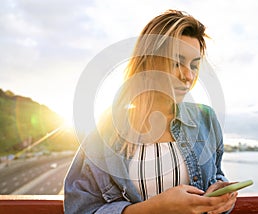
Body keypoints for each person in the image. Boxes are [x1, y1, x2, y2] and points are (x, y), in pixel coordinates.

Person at [64, 9, 237, 214]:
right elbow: (80, 208)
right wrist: (156, 208)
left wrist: (220, 196)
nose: (188, 76)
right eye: (177, 62)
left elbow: (216, 175)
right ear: (149, 61)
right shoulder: (107, 128)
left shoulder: (206, 119)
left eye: (194, 65)